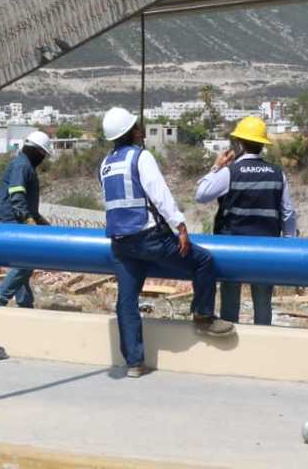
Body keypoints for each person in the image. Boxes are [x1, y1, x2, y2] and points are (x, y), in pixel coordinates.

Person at [99, 107, 235, 378]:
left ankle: (134, 362)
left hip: (121, 244)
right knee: (203, 261)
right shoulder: (141, 157)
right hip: (150, 238)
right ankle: (204, 316)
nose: (140, 130)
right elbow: (159, 193)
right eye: (138, 127)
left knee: (126, 302)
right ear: (133, 132)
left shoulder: (105, 164)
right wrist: (180, 226)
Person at [195, 115, 297, 326]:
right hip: (267, 250)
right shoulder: (278, 174)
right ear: (262, 144)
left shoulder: (229, 173)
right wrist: (289, 243)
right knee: (262, 304)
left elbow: (201, 194)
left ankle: (231, 351)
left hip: (232, 250)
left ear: (239, 143)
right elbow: (288, 214)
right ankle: (261, 348)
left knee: (230, 306)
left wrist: (216, 167)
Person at [0, 131, 53, 308]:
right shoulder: (22, 166)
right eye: (43, 154)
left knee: (23, 262)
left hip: (17, 221)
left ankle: (25, 302)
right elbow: (17, 196)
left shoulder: (24, 164)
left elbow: (26, 203)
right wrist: (28, 221)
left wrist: (41, 221)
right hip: (12, 223)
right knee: (27, 262)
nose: (43, 159)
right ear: (36, 151)